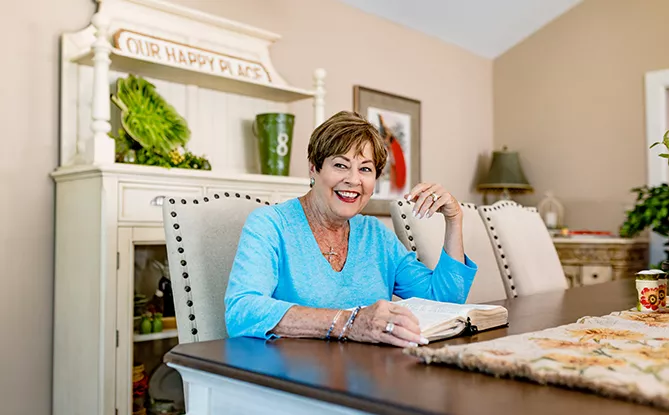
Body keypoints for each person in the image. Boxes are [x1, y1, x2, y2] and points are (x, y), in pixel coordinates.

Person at [224, 111, 478, 348]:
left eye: (365, 169)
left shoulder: (375, 235)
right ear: (314, 167)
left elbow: (444, 302)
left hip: (367, 377)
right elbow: (242, 311)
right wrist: (350, 323)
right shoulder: (270, 224)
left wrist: (454, 220)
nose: (354, 180)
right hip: (292, 379)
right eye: (340, 165)